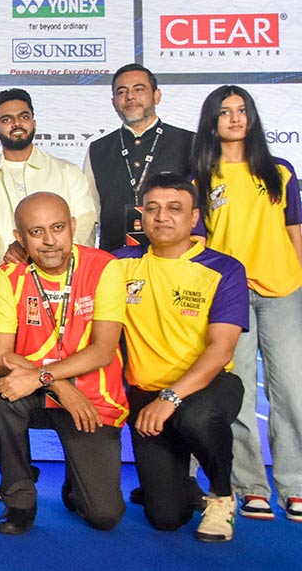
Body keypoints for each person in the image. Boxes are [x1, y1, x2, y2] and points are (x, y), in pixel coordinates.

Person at [0, 192, 128, 534]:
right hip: (42, 391)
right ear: (19, 238)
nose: (49, 241)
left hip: (91, 398)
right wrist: (55, 383)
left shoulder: (103, 267)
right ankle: (19, 500)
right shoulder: (8, 277)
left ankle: (76, 485)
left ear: (73, 227)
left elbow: (103, 350)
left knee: (104, 516)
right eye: (36, 232)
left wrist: (46, 377)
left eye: (58, 228)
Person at [190, 85, 302, 523]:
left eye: (242, 111)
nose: (234, 119)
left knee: (291, 392)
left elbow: (295, 232)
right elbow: (199, 245)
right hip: (229, 298)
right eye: (224, 112)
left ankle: (293, 485)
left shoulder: (280, 172)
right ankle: (250, 486)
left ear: (251, 118)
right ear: (212, 123)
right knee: (235, 395)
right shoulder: (201, 177)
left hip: (283, 292)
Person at [116, 172, 246, 541]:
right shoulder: (119, 264)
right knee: (166, 518)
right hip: (145, 394)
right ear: (141, 216)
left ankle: (222, 495)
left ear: (194, 218)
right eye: (153, 209)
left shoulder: (223, 269)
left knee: (196, 417)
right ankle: (182, 484)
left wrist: (170, 397)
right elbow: (65, 260)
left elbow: (220, 350)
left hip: (206, 387)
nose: (162, 217)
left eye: (175, 208)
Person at [0, 88, 96, 271]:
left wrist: (57, 262)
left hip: (66, 279)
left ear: (34, 123)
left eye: (24, 117)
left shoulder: (67, 172)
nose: (17, 124)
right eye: (6, 120)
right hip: (8, 279)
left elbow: (85, 225)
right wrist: (7, 264)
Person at [84, 64, 192, 252]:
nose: (130, 97)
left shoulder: (190, 143)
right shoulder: (98, 149)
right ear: (114, 102)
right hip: (114, 260)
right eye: (121, 92)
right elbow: (88, 214)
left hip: (176, 261)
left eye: (139, 89)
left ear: (157, 96)